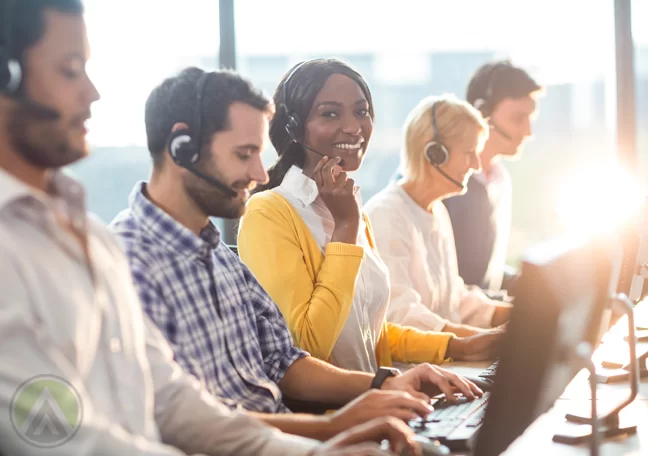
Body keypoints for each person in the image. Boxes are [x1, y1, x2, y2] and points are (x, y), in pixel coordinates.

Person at [0, 1, 423, 454]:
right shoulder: (104, 252)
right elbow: (62, 439)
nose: (93, 93)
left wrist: (327, 443)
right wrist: (328, 433)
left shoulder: (93, 240)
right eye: (69, 70)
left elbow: (173, 400)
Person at [108, 66, 483, 441]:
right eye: (244, 154)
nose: (258, 172)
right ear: (181, 148)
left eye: (361, 111)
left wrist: (386, 382)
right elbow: (180, 421)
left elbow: (284, 360)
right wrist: (330, 429)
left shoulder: (218, 256)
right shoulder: (127, 265)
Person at [237, 58, 500, 376]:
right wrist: (345, 229)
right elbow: (307, 347)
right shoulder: (270, 213)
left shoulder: (353, 209)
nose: (353, 127)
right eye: (330, 113)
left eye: (361, 112)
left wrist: (454, 346)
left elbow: (367, 330)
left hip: (382, 399)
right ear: (294, 126)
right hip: (336, 416)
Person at [364, 95, 512, 336]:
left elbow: (454, 299)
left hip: (446, 360)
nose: (476, 165)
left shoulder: (436, 211)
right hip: (410, 369)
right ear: (434, 152)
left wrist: (516, 315)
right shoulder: (386, 215)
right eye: (469, 153)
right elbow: (401, 315)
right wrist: (480, 339)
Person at [443, 60, 543, 293]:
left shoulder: (499, 180)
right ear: (481, 114)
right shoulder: (445, 183)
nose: (528, 132)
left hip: (484, 316)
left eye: (530, 118)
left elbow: (483, 272)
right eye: (518, 118)